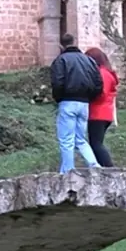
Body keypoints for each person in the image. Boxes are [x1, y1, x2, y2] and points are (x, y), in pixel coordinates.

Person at [49, 33, 103, 173]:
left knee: (66, 139)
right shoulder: (89, 60)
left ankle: (67, 171)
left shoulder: (60, 61)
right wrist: (89, 97)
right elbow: (98, 83)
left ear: (61, 45)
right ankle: (94, 165)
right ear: (75, 42)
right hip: (84, 103)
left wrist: (59, 98)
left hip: (68, 102)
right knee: (80, 139)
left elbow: (57, 83)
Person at [84, 47, 118, 168]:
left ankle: (109, 168)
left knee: (96, 144)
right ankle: (103, 168)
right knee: (96, 143)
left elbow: (101, 93)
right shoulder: (107, 73)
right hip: (103, 112)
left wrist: (87, 95)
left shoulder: (103, 73)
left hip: (98, 113)